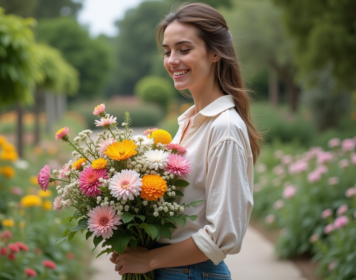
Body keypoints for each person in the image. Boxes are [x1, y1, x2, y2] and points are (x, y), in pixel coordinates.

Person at [110, 3, 262, 279]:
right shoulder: (189, 122)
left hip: (191, 273)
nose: (171, 60)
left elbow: (223, 235)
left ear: (216, 52)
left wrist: (150, 259)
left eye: (184, 49)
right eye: (167, 51)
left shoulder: (224, 128)